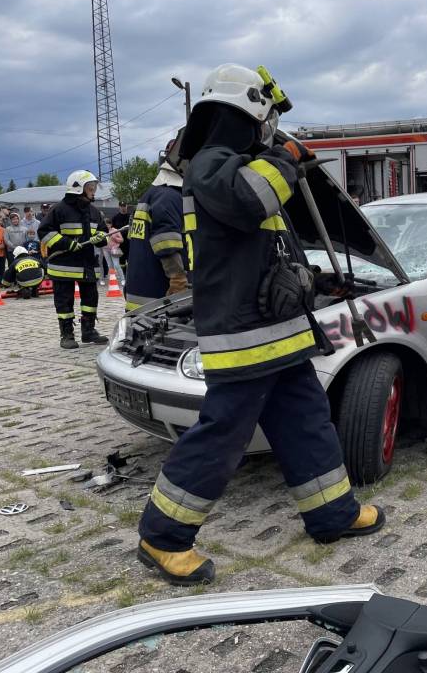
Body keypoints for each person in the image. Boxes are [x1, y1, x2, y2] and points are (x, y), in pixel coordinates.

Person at [136, 63, 385, 586]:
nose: (271, 131)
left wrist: (317, 280)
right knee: (223, 434)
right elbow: (250, 200)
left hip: (278, 332)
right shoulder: (211, 162)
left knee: (306, 421)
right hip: (244, 336)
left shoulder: (239, 165)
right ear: (251, 111)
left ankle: (332, 513)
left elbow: (270, 254)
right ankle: (163, 535)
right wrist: (286, 158)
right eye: (268, 120)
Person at [38, 170, 110, 349]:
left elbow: (103, 232)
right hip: (64, 266)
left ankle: (88, 331)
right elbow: (44, 232)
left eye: (94, 187)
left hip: (87, 265)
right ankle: (67, 334)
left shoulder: (94, 211)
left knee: (91, 299)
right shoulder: (59, 210)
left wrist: (101, 238)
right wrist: (67, 243)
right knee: (64, 301)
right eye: (90, 187)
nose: (94, 191)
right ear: (79, 188)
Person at [124, 150, 187, 311]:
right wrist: (178, 280)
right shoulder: (169, 196)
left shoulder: (152, 194)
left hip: (140, 292)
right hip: (158, 298)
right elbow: (167, 244)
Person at [102, 218, 125, 287]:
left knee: (116, 265)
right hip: (105, 250)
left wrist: (114, 238)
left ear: (111, 224)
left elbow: (122, 240)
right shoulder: (102, 231)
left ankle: (123, 279)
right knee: (110, 265)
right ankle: (113, 279)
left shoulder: (115, 230)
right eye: (105, 225)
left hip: (114, 249)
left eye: (108, 224)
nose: (106, 226)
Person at [111, 201, 132, 266]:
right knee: (120, 262)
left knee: (130, 261)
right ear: (119, 207)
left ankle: (129, 272)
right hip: (119, 243)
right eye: (121, 206)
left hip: (129, 242)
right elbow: (112, 230)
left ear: (127, 206)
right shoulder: (115, 218)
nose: (123, 208)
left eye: (124, 206)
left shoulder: (131, 217)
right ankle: (122, 272)